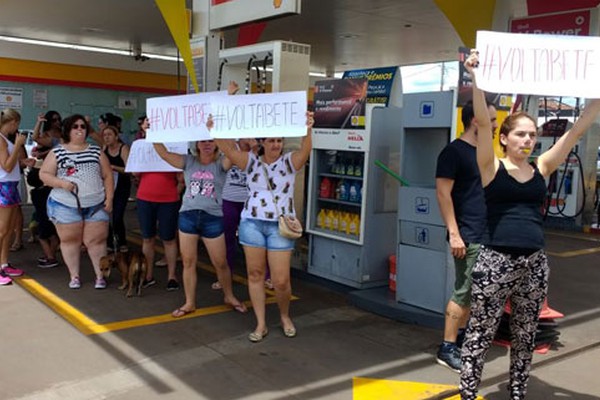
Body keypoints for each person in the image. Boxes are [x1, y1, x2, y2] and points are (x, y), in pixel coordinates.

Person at [461, 50, 600, 400]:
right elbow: (480, 117)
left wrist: (595, 101)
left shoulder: (542, 167)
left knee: (526, 332)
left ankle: (519, 390)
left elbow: (574, 133)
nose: (528, 139)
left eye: (532, 134)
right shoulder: (491, 166)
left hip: (534, 262)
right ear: (503, 138)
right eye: (520, 134)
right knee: (481, 330)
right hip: (495, 261)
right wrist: (476, 80)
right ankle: (467, 392)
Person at [215, 111, 314, 342]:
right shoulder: (251, 161)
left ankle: (284, 315)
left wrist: (308, 130)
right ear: (263, 142)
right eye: (271, 140)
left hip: (280, 226)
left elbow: (305, 150)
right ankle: (260, 323)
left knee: (280, 280)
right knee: (256, 274)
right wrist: (216, 129)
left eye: (279, 140)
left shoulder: (289, 162)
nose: (276, 145)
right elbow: (228, 151)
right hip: (252, 223)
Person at [435, 100, 498, 372]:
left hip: (485, 232)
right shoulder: (453, 152)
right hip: (467, 234)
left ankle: (460, 339)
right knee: (463, 291)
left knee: (474, 293)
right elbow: (442, 194)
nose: (495, 125)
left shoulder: (484, 153)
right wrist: (454, 234)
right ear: (476, 120)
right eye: (491, 119)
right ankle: (447, 348)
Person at [40, 114, 114, 289]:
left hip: (96, 204)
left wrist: (109, 199)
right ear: (67, 130)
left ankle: (100, 276)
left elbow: (108, 175)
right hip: (65, 204)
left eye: (82, 126)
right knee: (70, 241)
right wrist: (62, 183)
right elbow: (44, 174)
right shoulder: (57, 151)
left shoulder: (96, 151)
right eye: (75, 126)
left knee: (96, 241)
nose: (80, 129)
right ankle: (74, 276)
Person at [0, 109, 30, 284]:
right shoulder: (2, 140)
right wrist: (18, 145)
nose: (17, 128)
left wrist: (23, 162)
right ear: (11, 122)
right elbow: (6, 166)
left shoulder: (5, 140)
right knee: (3, 230)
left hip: (9, 185)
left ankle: (4, 263)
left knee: (9, 229)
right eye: (16, 124)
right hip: (4, 185)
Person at [102, 125, 131, 252]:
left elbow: (129, 169)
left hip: (122, 186)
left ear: (116, 136)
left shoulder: (123, 149)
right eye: (104, 135)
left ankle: (121, 241)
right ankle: (109, 241)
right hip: (108, 185)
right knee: (106, 213)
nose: (107, 138)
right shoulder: (104, 149)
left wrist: (113, 167)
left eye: (109, 135)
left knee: (117, 215)